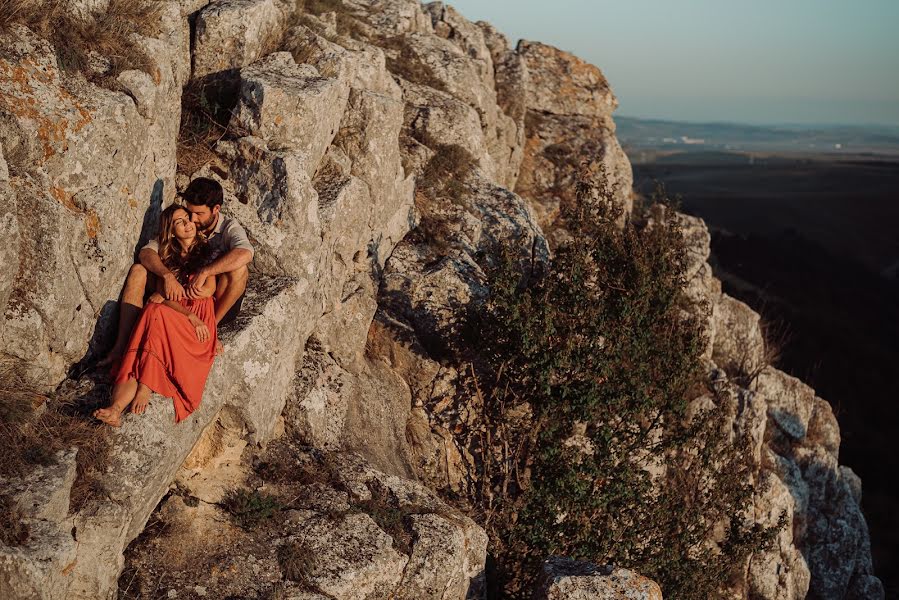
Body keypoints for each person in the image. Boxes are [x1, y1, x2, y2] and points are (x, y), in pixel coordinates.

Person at [99, 177, 254, 366]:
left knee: (239, 270)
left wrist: (206, 272)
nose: (193, 219)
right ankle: (120, 347)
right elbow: (147, 252)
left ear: (216, 209)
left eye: (199, 213)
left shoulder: (228, 227)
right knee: (138, 270)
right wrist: (167, 276)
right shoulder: (184, 223)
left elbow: (246, 253)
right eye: (190, 212)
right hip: (178, 298)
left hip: (210, 303)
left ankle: (211, 328)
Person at [94, 206, 218, 427]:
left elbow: (209, 289)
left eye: (188, 219)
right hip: (178, 315)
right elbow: (163, 296)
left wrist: (191, 309)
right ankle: (115, 409)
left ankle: (145, 386)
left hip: (196, 322)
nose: (188, 223)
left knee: (155, 313)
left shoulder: (207, 251)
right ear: (171, 232)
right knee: (143, 337)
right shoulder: (166, 257)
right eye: (180, 222)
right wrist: (173, 294)